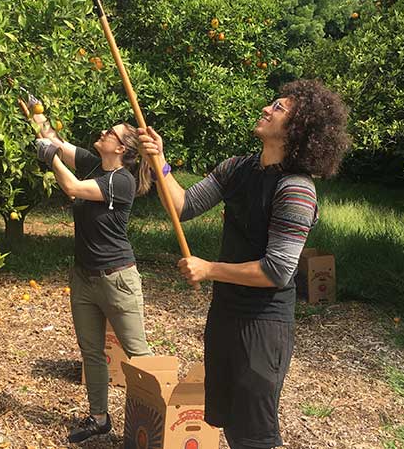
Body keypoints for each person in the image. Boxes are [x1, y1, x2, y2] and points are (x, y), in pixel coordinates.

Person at [137, 79, 350, 449]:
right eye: (273, 103)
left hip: (263, 325)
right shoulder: (237, 168)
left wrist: (209, 269)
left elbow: (278, 270)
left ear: (296, 131)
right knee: (232, 423)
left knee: (256, 435)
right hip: (225, 313)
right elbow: (183, 206)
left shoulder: (296, 189)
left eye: (279, 108)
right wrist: (160, 162)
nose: (268, 108)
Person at [32, 106, 154, 443]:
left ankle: (159, 421)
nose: (103, 133)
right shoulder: (93, 164)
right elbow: (54, 139)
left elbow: (71, 188)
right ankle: (99, 418)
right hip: (84, 277)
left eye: (111, 133)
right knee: (91, 353)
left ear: (122, 149)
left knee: (138, 354)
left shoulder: (122, 181)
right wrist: (32, 109)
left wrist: (51, 160)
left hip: (117, 281)